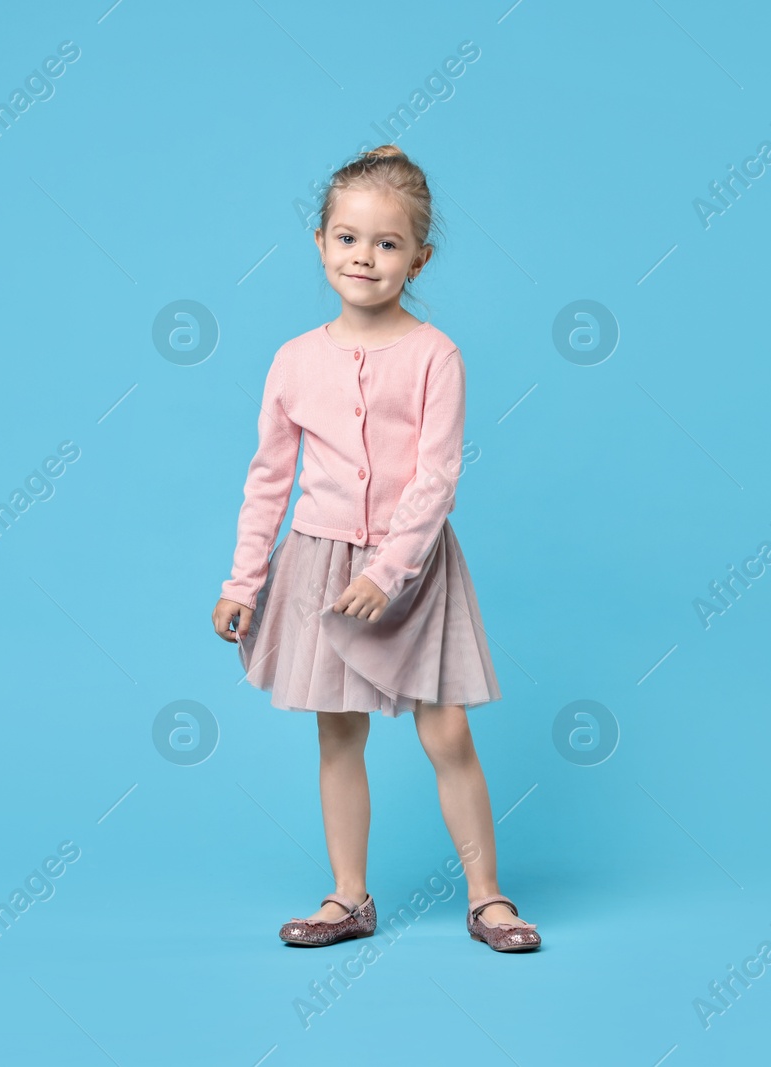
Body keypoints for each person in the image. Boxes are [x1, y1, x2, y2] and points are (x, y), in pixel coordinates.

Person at [210, 145, 540, 953]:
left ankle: (488, 897)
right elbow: (267, 480)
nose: (365, 257)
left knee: (447, 733)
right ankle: (347, 897)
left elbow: (435, 481)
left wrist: (389, 570)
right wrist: (243, 580)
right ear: (320, 243)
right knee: (338, 732)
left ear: (419, 257)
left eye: (387, 244)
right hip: (319, 567)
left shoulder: (436, 356)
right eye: (348, 238)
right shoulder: (293, 359)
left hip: (414, 569)